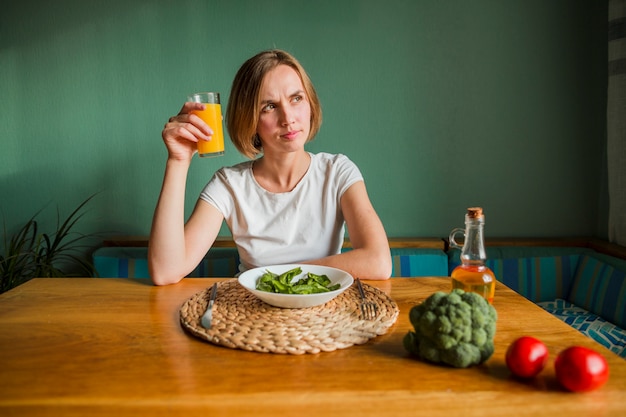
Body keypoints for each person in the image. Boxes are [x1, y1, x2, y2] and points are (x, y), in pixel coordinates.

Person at [148, 49, 391, 285]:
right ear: (250, 119)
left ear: (310, 104)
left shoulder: (338, 172)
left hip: (323, 316)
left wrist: (278, 277)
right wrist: (178, 161)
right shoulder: (229, 184)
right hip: (252, 317)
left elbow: (378, 261)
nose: (288, 118)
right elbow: (165, 271)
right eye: (270, 106)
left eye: (296, 98)